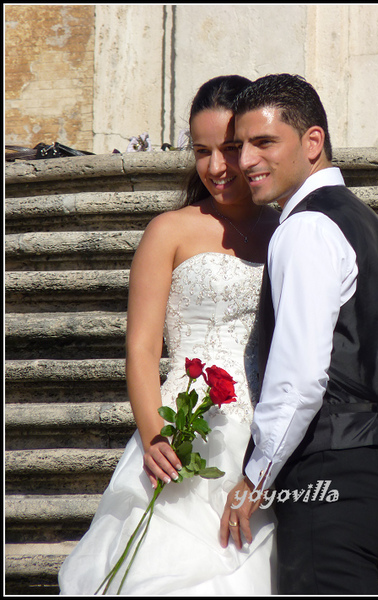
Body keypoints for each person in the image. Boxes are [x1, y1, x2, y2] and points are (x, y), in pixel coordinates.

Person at [58, 75, 280, 595]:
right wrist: (153, 430)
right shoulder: (170, 229)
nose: (216, 167)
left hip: (262, 434)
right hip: (183, 424)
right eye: (201, 151)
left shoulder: (285, 228)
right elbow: (141, 346)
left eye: (229, 148)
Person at [219, 74, 378, 595]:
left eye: (265, 143)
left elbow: (300, 376)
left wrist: (255, 479)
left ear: (312, 142)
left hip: (333, 475)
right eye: (241, 146)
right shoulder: (371, 223)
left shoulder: (306, 227)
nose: (245, 161)